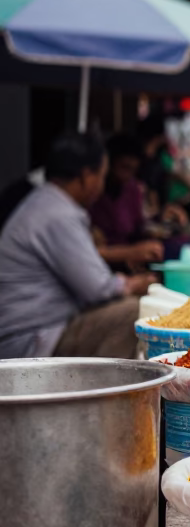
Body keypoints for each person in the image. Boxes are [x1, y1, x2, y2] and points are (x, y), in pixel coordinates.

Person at [0, 131, 155, 358]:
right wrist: (133, 283)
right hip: (30, 338)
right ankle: (110, 392)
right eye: (101, 176)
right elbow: (98, 288)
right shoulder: (57, 213)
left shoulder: (46, 202)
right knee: (133, 312)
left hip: (35, 329)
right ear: (86, 176)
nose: (101, 185)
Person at [89, 133, 164, 267]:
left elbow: (137, 229)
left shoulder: (132, 189)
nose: (126, 176)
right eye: (123, 167)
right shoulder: (91, 194)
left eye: (132, 170)